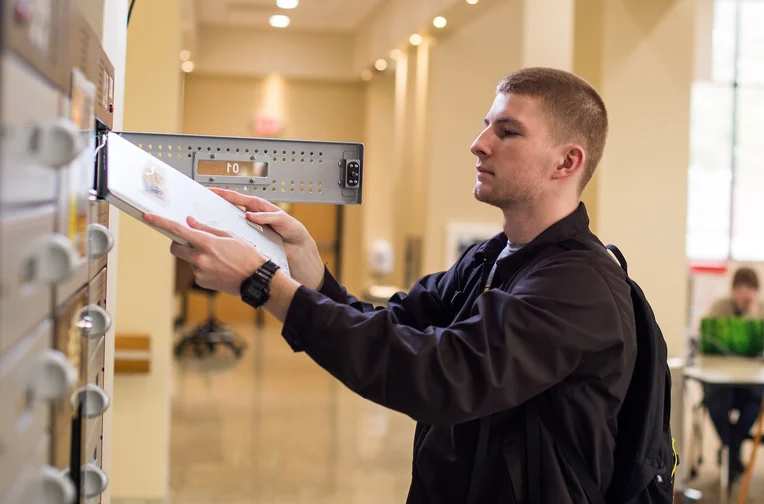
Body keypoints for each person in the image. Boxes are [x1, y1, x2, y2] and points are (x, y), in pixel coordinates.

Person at [144, 67, 638, 503]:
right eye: (486, 124)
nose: (480, 142)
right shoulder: (491, 257)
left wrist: (263, 284)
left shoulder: (579, 288)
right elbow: (394, 326)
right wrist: (305, 265)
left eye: (507, 131)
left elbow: (439, 375)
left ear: (567, 162)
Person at [703, 267, 764, 482]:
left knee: (754, 405)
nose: (744, 294)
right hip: (721, 379)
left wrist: (753, 311)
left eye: (750, 289)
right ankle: (734, 455)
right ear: (733, 289)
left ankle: (729, 451)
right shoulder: (719, 307)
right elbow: (706, 342)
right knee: (715, 405)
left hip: (751, 381)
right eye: (740, 288)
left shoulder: (761, 310)